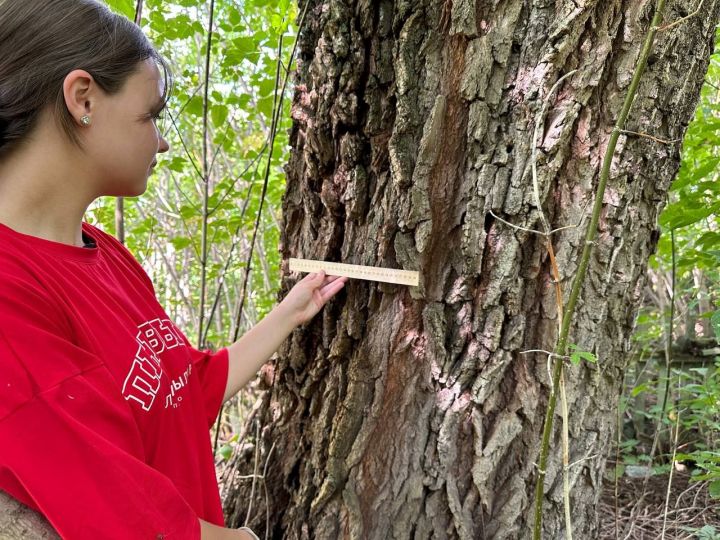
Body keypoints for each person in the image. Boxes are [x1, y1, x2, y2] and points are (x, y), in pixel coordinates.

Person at [0, 0, 347, 538]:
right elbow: (119, 518)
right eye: (150, 116)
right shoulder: (11, 297)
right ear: (82, 99)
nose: (161, 139)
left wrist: (289, 313)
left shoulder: (106, 254)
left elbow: (181, 394)